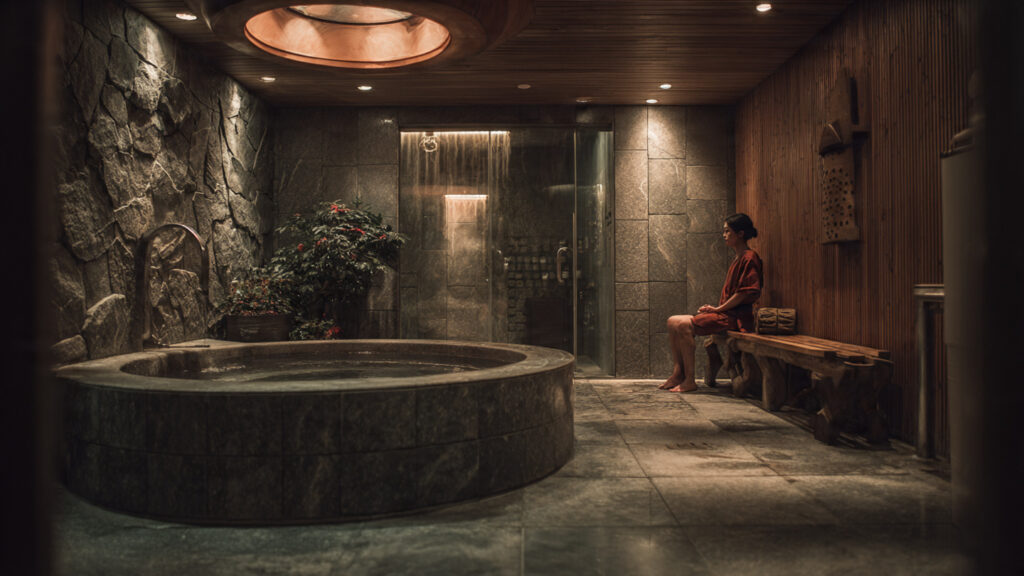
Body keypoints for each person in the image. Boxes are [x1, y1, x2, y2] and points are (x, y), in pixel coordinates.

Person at [660, 213, 762, 392]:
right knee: (672, 321)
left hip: (737, 318)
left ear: (740, 234)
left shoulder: (749, 258)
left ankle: (690, 380)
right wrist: (714, 309)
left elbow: (744, 294)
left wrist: (717, 309)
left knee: (684, 325)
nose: (724, 235)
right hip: (726, 314)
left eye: (727, 231)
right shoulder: (738, 258)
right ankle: (678, 373)